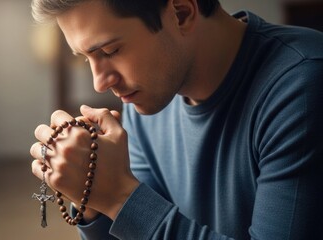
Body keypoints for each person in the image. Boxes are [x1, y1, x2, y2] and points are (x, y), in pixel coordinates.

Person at [29, 0, 323, 239]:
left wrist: (118, 196)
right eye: (85, 57)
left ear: (181, 13)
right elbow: (142, 230)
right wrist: (92, 197)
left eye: (110, 50)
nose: (100, 83)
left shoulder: (303, 86)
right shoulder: (145, 105)